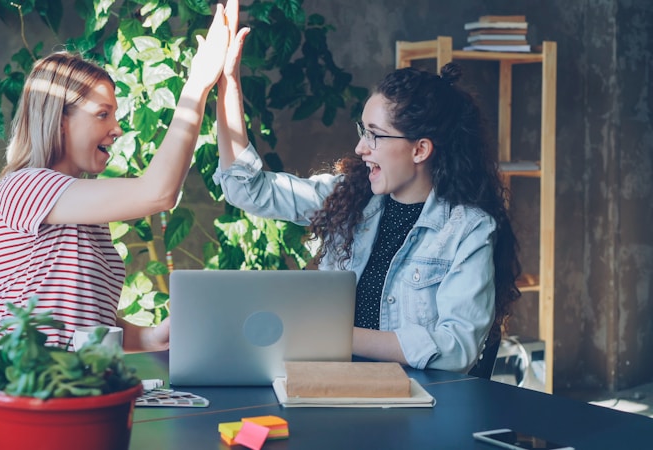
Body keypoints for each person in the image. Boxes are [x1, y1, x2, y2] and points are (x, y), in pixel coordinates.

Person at [214, 10, 521, 373]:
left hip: (416, 406)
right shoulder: (350, 196)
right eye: (363, 130)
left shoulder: (468, 229)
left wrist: (333, 335)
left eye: (375, 135)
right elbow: (246, 188)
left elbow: (456, 348)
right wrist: (228, 83)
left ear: (420, 149)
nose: (361, 147)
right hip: (333, 386)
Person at [0, 3, 232, 367]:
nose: (117, 129)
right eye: (102, 114)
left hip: (75, 384)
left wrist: (149, 336)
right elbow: (158, 193)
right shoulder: (24, 187)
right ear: (59, 120)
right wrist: (197, 84)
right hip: (23, 383)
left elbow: (82, 318)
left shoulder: (83, 207)